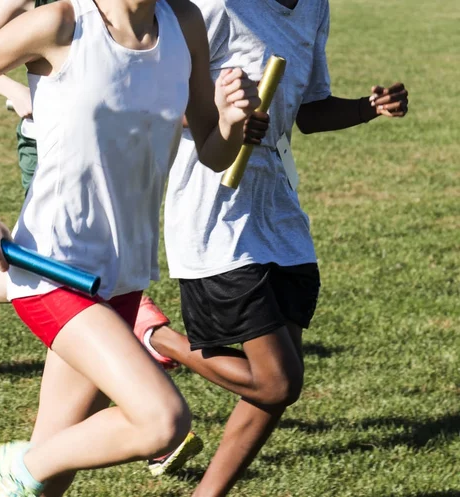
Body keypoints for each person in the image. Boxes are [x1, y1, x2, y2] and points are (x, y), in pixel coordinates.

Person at [0, 1, 261, 496]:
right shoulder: (62, 23)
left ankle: (26, 473)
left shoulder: (184, 23)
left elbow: (213, 150)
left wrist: (230, 121)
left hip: (123, 275)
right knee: (162, 421)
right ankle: (17, 464)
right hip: (53, 267)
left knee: (48, 484)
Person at [128, 0, 410, 495]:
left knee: (276, 386)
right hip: (214, 212)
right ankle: (157, 339)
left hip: (279, 214)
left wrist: (369, 108)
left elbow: (309, 111)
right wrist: (225, 119)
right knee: (277, 381)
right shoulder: (213, 7)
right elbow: (158, 98)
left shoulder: (313, 8)